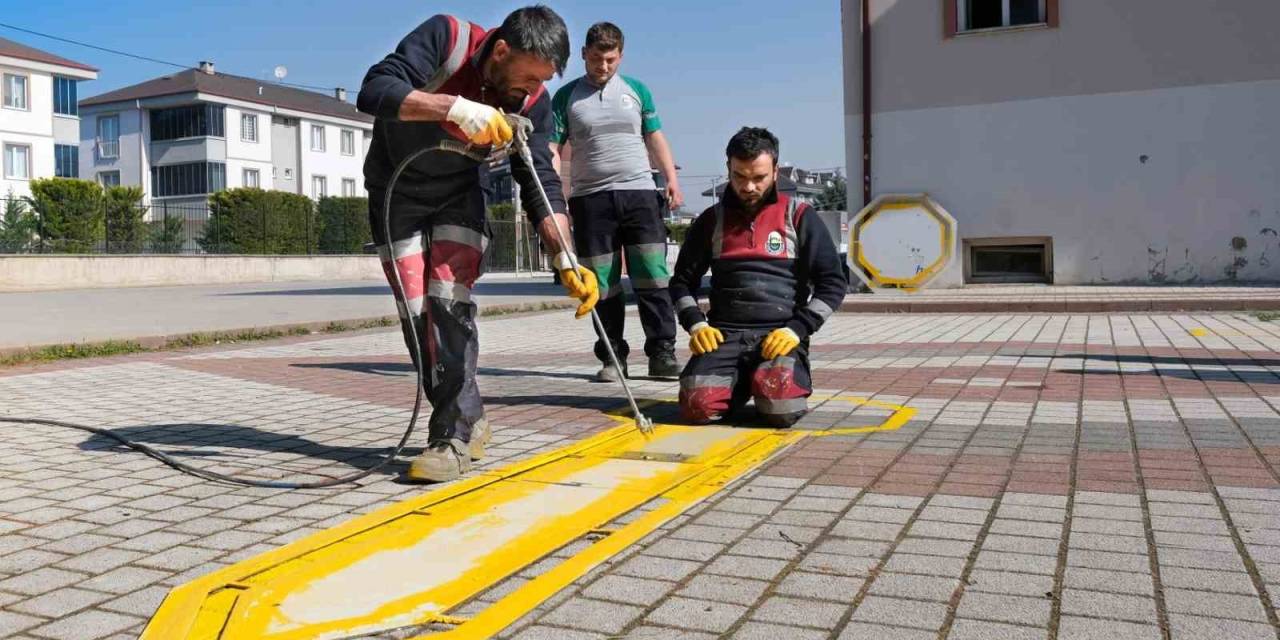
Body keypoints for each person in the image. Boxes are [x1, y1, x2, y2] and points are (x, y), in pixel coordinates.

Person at [358, 6, 598, 482]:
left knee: (448, 302)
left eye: (541, 82)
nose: (530, 91)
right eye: (527, 78)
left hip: (460, 194)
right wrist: (453, 107)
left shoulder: (535, 103)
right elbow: (374, 90)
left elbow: (541, 181)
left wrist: (565, 258)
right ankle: (468, 415)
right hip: (395, 191)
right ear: (502, 50)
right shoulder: (447, 39)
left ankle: (452, 437)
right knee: (416, 315)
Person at [669, 127, 846, 427]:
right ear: (728, 169)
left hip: (779, 336)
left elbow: (833, 284)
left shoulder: (800, 216)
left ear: (776, 171)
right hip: (723, 336)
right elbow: (681, 283)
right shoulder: (711, 221)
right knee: (696, 407)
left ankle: (768, 381)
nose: (749, 186)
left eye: (759, 177)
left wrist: (797, 330)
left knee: (781, 409)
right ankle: (742, 382)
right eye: (740, 176)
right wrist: (696, 324)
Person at [551, 22, 683, 382]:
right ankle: (612, 357)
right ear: (584, 55)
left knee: (653, 276)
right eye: (596, 59)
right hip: (590, 200)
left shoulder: (637, 91)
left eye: (610, 59)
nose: (603, 67)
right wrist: (549, 188)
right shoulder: (566, 97)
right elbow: (552, 146)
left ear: (620, 56)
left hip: (639, 193)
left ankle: (662, 354)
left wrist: (670, 178)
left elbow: (655, 136)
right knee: (602, 283)